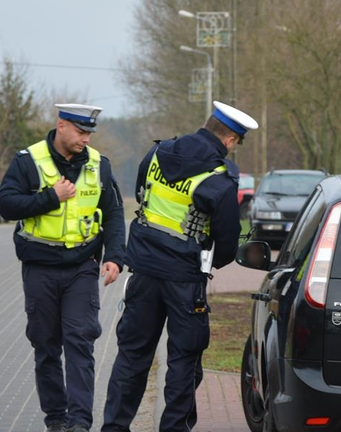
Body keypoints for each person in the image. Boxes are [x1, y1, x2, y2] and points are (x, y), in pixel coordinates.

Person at [101, 101, 258, 432]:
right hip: (185, 281)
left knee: (131, 356)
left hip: (142, 272)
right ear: (230, 140)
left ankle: (114, 427)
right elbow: (228, 240)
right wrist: (206, 260)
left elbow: (143, 196)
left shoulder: (156, 154)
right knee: (183, 361)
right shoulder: (220, 176)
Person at [0, 103, 126, 432]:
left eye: (89, 133)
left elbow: (113, 214)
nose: (86, 139)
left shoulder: (99, 165)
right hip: (40, 266)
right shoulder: (28, 161)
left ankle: (80, 422)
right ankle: (56, 418)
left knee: (80, 341)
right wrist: (50, 197)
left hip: (82, 266)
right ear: (62, 125)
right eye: (81, 132)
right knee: (46, 344)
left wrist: (114, 256)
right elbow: (7, 205)